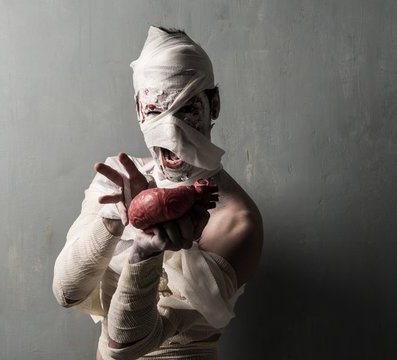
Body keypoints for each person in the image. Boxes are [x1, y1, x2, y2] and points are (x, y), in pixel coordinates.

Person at [52, 26, 263, 360]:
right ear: (138, 109)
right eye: (155, 111)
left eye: (185, 109)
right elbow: (67, 292)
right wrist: (113, 222)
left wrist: (144, 254)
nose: (170, 130)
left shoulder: (234, 220)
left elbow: (126, 347)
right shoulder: (117, 182)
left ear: (214, 105)